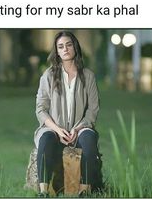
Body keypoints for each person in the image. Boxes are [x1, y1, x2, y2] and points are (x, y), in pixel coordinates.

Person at [34, 31, 101, 197]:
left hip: (81, 126)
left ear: (75, 47)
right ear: (57, 51)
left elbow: (93, 109)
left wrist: (77, 129)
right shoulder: (48, 76)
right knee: (45, 138)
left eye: (68, 45)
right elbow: (41, 109)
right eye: (60, 46)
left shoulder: (88, 76)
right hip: (54, 128)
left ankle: (83, 191)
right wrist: (58, 130)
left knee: (89, 139)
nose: (65, 49)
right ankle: (43, 191)